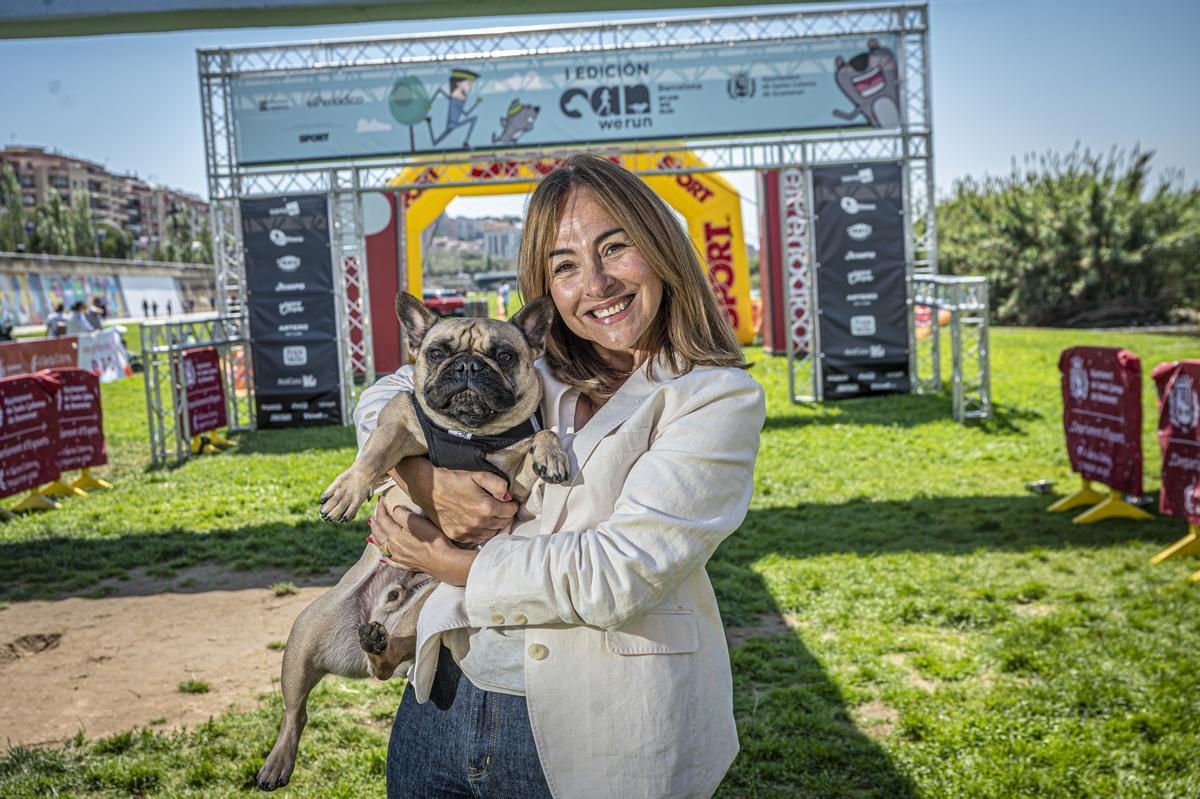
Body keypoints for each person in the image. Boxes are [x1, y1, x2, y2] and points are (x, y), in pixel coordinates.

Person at [358, 154, 765, 798]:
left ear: (661, 248)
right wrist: (421, 478)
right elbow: (383, 400)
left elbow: (615, 575)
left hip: (599, 726)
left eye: (615, 248)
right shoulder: (524, 367)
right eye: (565, 266)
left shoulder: (713, 397)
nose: (596, 283)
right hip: (443, 700)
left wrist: (440, 558)